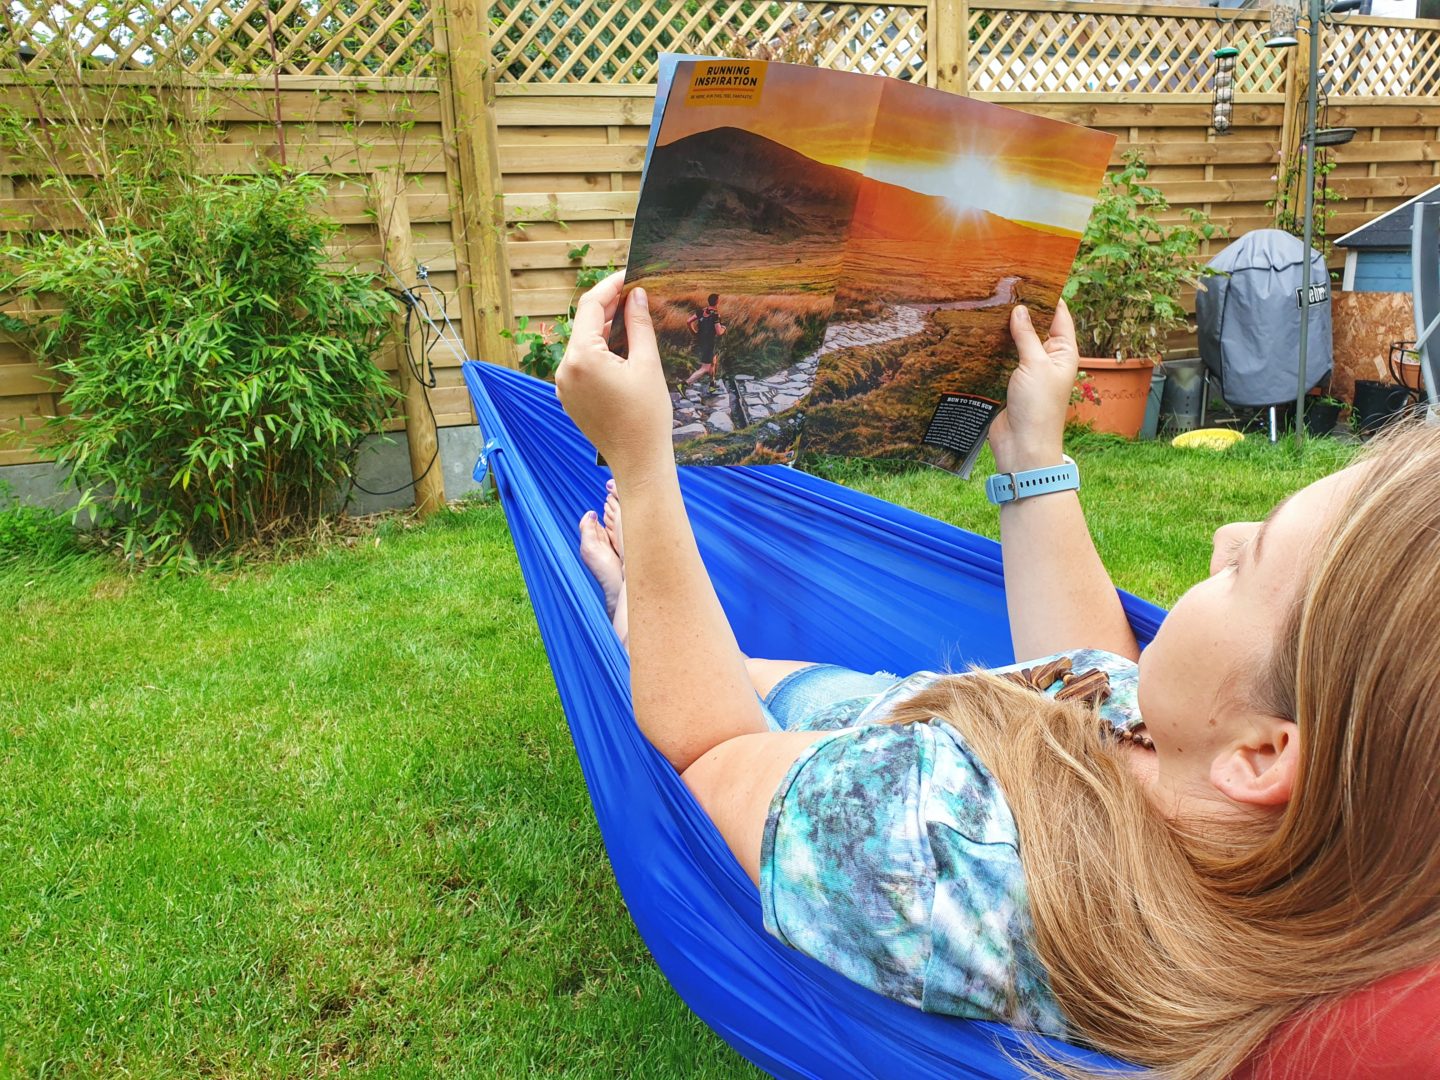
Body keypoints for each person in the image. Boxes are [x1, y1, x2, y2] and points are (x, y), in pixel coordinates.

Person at [557, 271, 1440, 1079]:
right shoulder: (1261, 846)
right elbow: (1100, 678)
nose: (1222, 536)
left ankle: (638, 608)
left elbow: (711, 754)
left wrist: (644, 463)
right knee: (754, 668)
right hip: (909, 717)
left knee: (705, 670)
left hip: (830, 757)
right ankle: (709, 642)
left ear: (1261, 754)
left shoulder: (929, 849)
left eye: (1247, 566)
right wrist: (1031, 452)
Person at [683, 293, 725, 392]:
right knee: (705, 368)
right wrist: (724, 328)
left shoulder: (701, 311)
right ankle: (684, 385)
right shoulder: (715, 315)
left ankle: (712, 385)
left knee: (713, 362)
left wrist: (694, 332)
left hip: (702, 341)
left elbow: (688, 321)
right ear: (717, 302)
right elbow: (719, 332)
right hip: (710, 343)